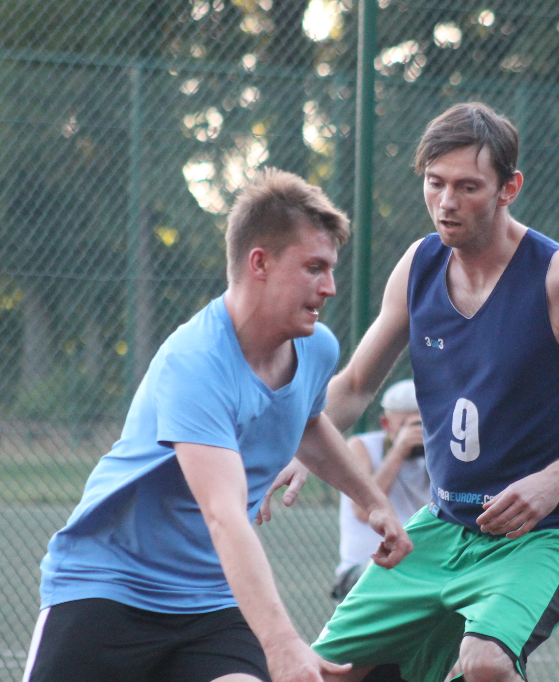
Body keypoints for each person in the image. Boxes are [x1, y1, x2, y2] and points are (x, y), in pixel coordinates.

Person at [277, 102, 559, 682]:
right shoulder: (418, 265)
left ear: (509, 188)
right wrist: (295, 448)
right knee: (322, 671)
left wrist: (556, 479)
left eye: (468, 186)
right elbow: (357, 384)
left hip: (549, 529)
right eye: (435, 184)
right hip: (444, 524)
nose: (446, 201)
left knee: (485, 664)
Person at [21, 168, 412, 682]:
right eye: (314, 268)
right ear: (260, 264)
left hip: (211, 601)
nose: (331, 287)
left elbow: (308, 423)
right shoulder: (197, 362)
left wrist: (373, 500)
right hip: (110, 587)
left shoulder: (317, 347)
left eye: (332, 269)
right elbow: (224, 515)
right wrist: (281, 643)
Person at [333, 379, 430, 601]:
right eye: (407, 423)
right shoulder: (363, 446)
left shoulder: (440, 452)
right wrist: (398, 452)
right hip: (363, 570)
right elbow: (362, 510)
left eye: (423, 422)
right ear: (386, 424)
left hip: (421, 567)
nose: (417, 430)